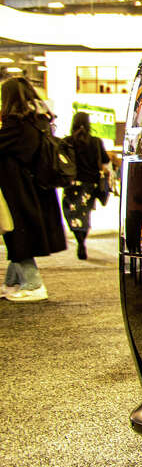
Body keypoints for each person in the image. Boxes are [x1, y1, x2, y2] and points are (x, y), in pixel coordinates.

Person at [0, 77, 66, 301]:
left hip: (18, 190)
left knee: (18, 236)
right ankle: (13, 282)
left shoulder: (16, 125)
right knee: (18, 234)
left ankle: (34, 284)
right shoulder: (38, 121)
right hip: (36, 189)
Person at [61, 111, 111, 260]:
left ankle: (79, 240)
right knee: (85, 214)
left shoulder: (67, 141)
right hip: (90, 186)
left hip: (72, 185)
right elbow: (105, 159)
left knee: (71, 214)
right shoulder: (96, 141)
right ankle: (82, 241)